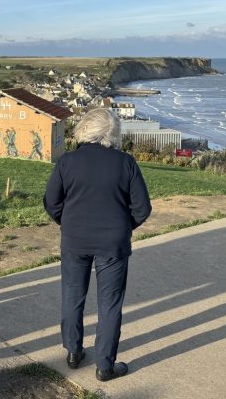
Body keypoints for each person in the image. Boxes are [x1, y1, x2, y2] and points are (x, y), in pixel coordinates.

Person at [43, 108, 152, 382]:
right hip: (113, 243)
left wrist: (67, 223)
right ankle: (105, 366)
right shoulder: (125, 162)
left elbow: (51, 202)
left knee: (72, 296)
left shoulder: (68, 162)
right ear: (112, 133)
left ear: (85, 129)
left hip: (74, 239)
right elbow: (142, 208)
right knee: (110, 304)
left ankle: (73, 351)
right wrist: (124, 227)